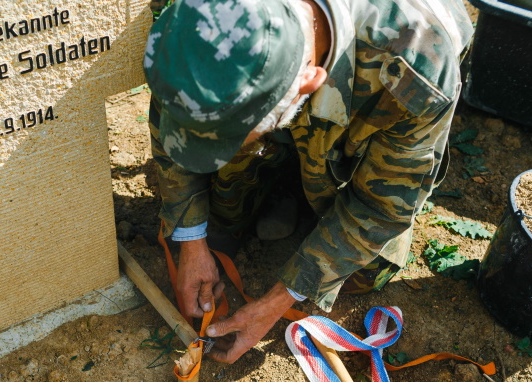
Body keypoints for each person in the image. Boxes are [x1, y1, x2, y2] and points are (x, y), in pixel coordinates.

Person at [143, 0, 473, 363]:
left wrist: (278, 301)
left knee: (364, 272)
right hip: (294, 103)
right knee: (223, 215)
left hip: (377, 115)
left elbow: (381, 207)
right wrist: (191, 240)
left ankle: (295, 181)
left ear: (310, 81)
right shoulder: (207, 20)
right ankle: (284, 173)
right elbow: (174, 114)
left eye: (235, 136)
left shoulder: (417, 71)